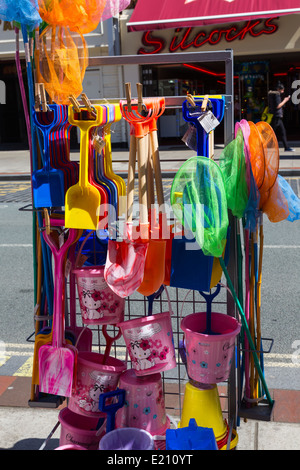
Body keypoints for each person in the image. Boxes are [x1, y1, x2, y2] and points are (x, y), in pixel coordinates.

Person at [268, 82, 295, 152]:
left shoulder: (272, 95)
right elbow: (278, 106)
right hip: (277, 116)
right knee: (271, 132)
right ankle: (261, 144)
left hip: (277, 116)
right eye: (282, 90)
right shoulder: (276, 95)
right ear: (278, 89)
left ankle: (286, 147)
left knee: (282, 132)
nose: (283, 92)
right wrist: (285, 100)